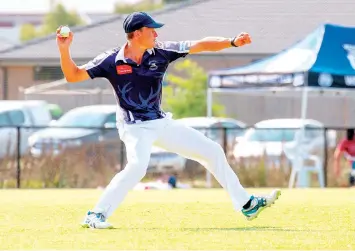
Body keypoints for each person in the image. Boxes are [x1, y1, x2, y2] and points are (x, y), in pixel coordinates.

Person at [56, 11, 281, 229]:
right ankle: (95, 215)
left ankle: (246, 204)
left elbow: (200, 44)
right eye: (151, 30)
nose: (156, 34)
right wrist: (64, 50)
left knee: (211, 150)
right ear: (136, 33)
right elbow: (73, 75)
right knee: (137, 167)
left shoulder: (162, 51)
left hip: (160, 122)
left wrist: (231, 42)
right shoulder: (111, 60)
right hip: (133, 126)